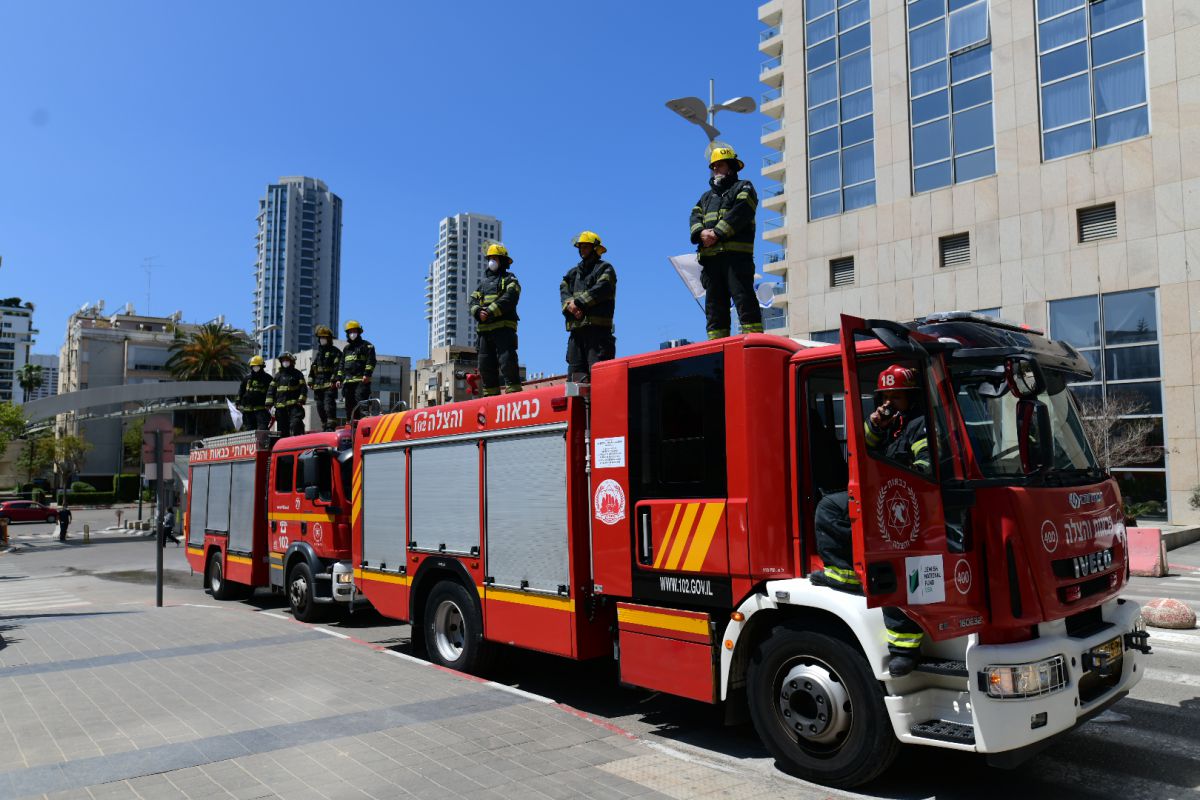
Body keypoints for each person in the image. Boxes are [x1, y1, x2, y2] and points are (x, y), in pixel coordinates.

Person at [809, 364, 931, 678]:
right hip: (881, 498)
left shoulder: (920, 425)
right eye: (886, 396)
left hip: (908, 505)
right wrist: (876, 424)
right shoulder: (892, 423)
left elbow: (924, 470)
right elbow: (860, 451)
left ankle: (905, 649)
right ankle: (844, 575)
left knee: (891, 566)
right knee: (829, 508)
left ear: (911, 397)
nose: (890, 402)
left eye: (897, 396)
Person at [689, 144, 762, 340]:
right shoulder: (705, 198)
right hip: (711, 262)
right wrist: (700, 234)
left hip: (737, 260)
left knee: (744, 301)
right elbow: (695, 217)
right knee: (714, 310)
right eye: (713, 166)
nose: (715, 170)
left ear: (730, 167)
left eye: (719, 165)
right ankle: (717, 350)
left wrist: (717, 233)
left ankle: (754, 343)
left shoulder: (744, 187)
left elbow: (741, 211)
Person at [560, 231, 617, 383]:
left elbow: (602, 288)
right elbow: (564, 290)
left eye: (586, 246)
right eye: (581, 247)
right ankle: (580, 405)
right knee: (575, 378)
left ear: (595, 249)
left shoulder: (605, 269)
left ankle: (598, 406)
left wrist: (578, 304)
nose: (582, 250)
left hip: (598, 334)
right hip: (577, 333)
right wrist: (569, 306)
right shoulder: (572, 274)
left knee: (599, 376)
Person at [469, 244, 522, 396]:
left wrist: (490, 311)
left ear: (503, 261)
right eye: (490, 258)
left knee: (507, 362)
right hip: (484, 333)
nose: (491, 261)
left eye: (495, 258)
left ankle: (514, 394)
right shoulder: (482, 284)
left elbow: (510, 298)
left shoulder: (510, 279)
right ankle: (490, 396)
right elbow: (472, 302)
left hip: (504, 329)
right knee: (485, 365)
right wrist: (478, 311)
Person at [336, 320, 376, 421]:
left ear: (359, 332)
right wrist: (339, 379)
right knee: (349, 407)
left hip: (361, 382)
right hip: (348, 383)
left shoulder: (367, 346)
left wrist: (367, 374)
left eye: (354, 331)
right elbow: (341, 365)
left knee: (362, 405)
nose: (352, 334)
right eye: (350, 332)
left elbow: (371, 361)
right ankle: (350, 426)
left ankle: (363, 426)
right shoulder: (346, 349)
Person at [309, 325, 342, 432]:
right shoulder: (319, 354)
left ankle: (330, 427)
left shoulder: (335, 352)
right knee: (320, 407)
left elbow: (338, 367)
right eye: (320, 337)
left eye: (324, 337)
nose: (322, 339)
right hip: (318, 386)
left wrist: (335, 380)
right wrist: (310, 380)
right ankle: (324, 426)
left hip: (329, 385)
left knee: (329, 406)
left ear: (329, 338)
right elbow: (313, 367)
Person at [267, 352, 308, 437]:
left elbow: (303, 388)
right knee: (282, 431)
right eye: (283, 360)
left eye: (287, 360)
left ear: (291, 362)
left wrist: (301, 399)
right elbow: (271, 390)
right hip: (280, 409)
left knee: (295, 424)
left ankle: (299, 438)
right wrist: (269, 404)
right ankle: (284, 447)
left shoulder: (297, 374)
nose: (285, 362)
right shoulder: (278, 376)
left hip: (294, 406)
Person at [236, 356, 273, 431]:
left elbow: (272, 391)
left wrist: (271, 404)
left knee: (262, 430)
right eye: (253, 366)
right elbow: (241, 391)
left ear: (262, 366)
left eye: (257, 366)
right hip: (248, 411)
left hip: (262, 411)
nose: (255, 368)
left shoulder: (268, 378)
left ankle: (262, 443)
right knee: (249, 431)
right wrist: (238, 401)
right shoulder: (247, 378)